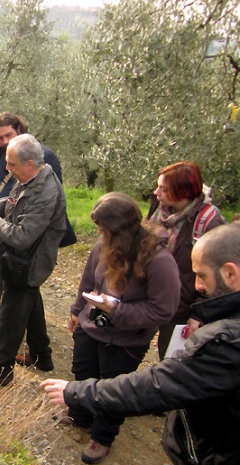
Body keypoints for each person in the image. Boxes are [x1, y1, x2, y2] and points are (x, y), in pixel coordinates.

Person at [41, 223, 240, 465]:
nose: (198, 286)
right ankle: (82, 418)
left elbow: (158, 386)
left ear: (230, 273)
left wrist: (77, 393)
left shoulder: (227, 341)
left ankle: (101, 438)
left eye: (202, 275)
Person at [46, 192, 181, 464]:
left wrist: (116, 311)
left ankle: (102, 437)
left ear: (120, 229)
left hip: (126, 340)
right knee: (83, 372)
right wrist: (76, 310)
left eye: (102, 228)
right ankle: (80, 414)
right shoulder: (103, 243)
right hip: (91, 326)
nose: (99, 233)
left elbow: (162, 310)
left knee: (113, 388)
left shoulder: (159, 260)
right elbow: (88, 280)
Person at [0, 134, 67, 385]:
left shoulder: (46, 191)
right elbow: (15, 200)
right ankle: (41, 356)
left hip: (30, 261)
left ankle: (1, 370)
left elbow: (22, 236)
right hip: (24, 261)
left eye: (12, 163)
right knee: (31, 302)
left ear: (30, 164)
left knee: (12, 316)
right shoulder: (29, 178)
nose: (7, 167)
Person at [147, 161, 225, 359]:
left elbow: (215, 272)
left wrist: (199, 312)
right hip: (154, 295)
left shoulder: (208, 222)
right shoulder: (159, 210)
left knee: (172, 358)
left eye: (163, 189)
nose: (156, 192)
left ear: (183, 192)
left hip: (182, 305)